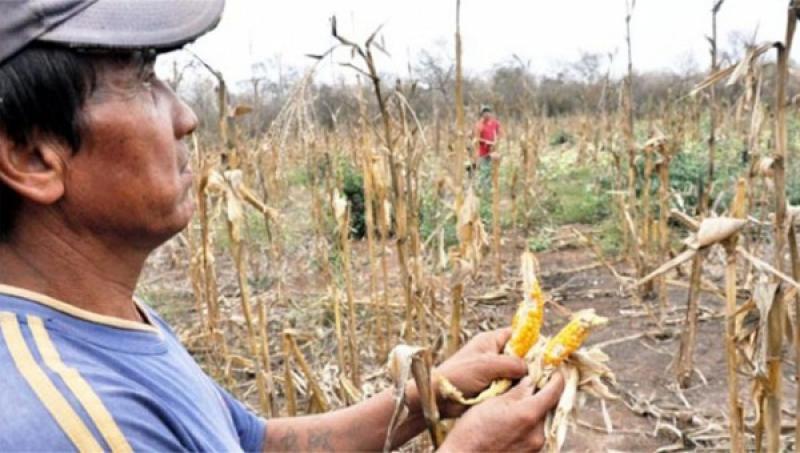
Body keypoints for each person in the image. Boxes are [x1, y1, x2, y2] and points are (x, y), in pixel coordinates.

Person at [0, 1, 563, 451]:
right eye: (143, 77)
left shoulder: (102, 320)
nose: (186, 117)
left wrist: (425, 399)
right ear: (31, 156)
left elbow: (254, 443)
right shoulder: (73, 423)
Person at [473, 105, 502, 188]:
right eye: (484, 112)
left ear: (491, 113)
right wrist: (486, 142)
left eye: (488, 112)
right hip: (483, 153)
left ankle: (491, 190)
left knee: (492, 171)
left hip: (493, 152)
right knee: (484, 172)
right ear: (482, 114)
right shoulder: (479, 125)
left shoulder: (495, 123)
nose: (486, 114)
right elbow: (476, 139)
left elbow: (499, 134)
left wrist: (496, 142)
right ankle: (484, 191)